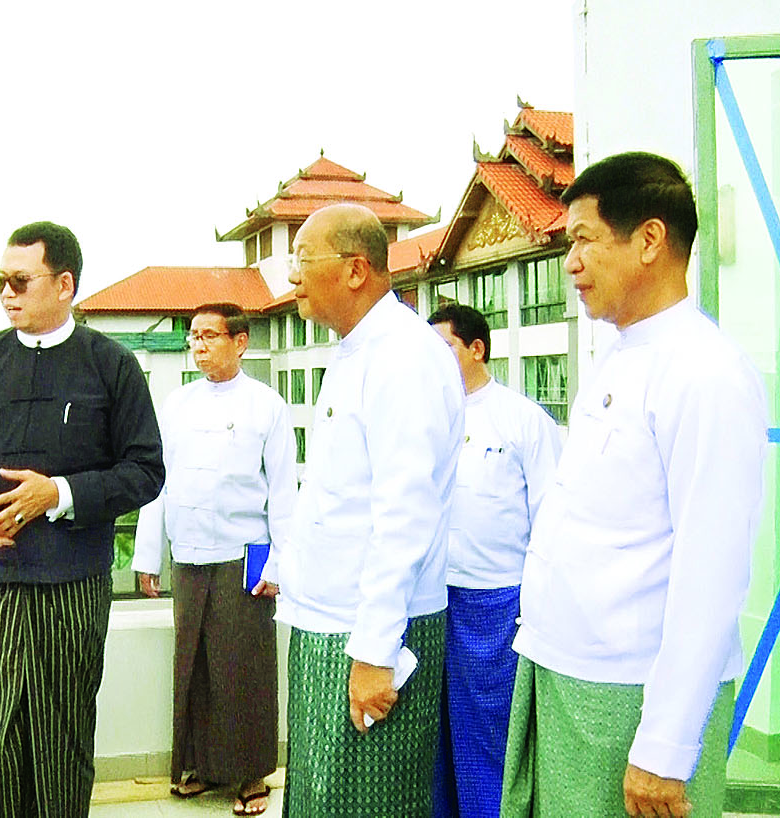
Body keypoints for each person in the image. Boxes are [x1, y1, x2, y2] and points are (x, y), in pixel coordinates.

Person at [500, 152, 768, 818]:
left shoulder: (705, 374)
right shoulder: (621, 355)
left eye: (583, 239)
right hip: (565, 670)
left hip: (629, 694)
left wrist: (664, 747)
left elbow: (712, 573)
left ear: (649, 240)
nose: (570, 263)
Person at [0, 221, 165, 818]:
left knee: (60, 740)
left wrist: (58, 493)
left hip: (71, 587)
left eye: (20, 281)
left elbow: (145, 470)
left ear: (65, 284)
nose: (6, 294)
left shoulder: (111, 366)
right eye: (0, 281)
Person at [276, 203, 464, 816]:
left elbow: (404, 516)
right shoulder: (358, 350)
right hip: (331, 622)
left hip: (370, 635)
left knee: (365, 803)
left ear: (356, 270)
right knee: (319, 798)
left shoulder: (403, 357)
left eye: (303, 259)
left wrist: (376, 653)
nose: (292, 276)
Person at [131, 302, 296, 816]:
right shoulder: (176, 404)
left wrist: (280, 564)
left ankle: (250, 774)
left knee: (243, 667)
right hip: (188, 553)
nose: (197, 345)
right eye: (193, 337)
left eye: (208, 335)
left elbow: (283, 493)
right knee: (195, 664)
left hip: (245, 555)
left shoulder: (267, 406)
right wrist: (147, 555)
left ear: (240, 342)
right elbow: (155, 483)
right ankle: (199, 767)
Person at [424, 305, 561, 818]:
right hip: (433, 596)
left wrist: (536, 603)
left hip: (497, 603)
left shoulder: (523, 420)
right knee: (434, 733)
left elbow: (550, 518)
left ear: (476, 349)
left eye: (444, 349)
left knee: (489, 733)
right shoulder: (425, 420)